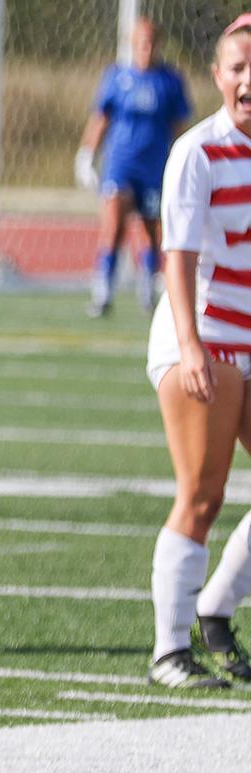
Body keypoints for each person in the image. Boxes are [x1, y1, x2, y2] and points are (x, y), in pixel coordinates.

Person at [140, 13, 251, 690]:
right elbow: (175, 255)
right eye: (238, 67)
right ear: (216, 77)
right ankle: (168, 651)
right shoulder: (199, 150)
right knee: (202, 494)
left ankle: (217, 605)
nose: (250, 80)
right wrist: (191, 347)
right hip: (204, 335)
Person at [76, 17, 191, 318]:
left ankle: (148, 289)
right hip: (121, 165)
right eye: (142, 42)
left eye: (152, 42)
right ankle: (104, 291)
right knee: (113, 223)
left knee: (153, 229)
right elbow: (101, 117)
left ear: (158, 44)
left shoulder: (170, 81)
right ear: (133, 43)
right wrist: (87, 153)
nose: (147, 48)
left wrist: (185, 161)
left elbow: (180, 126)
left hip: (154, 167)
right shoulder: (116, 77)